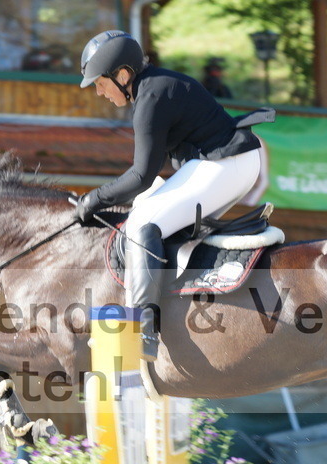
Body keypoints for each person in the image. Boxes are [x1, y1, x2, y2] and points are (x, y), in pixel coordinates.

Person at [75, 30, 272, 361]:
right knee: (148, 209)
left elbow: (140, 175)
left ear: (122, 75)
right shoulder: (154, 88)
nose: (98, 91)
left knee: (141, 224)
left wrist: (92, 200)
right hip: (227, 163)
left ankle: (143, 330)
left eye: (100, 82)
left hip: (226, 164)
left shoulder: (151, 97)